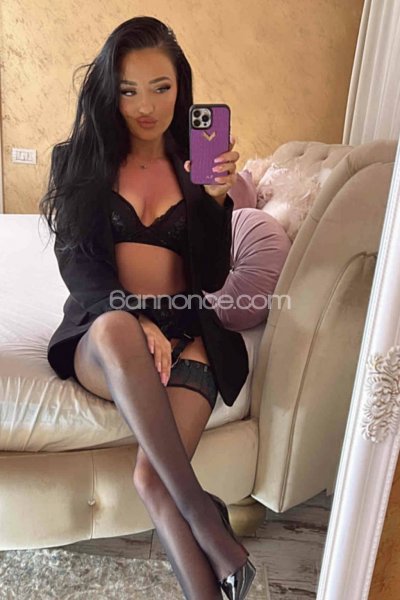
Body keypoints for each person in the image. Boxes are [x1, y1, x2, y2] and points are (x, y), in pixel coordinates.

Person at [40, 16, 255, 600]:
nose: (145, 106)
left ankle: (218, 576)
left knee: (153, 480)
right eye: (129, 90)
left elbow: (211, 278)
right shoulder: (79, 160)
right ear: (110, 91)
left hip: (188, 334)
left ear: (180, 87)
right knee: (117, 328)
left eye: (161, 88)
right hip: (105, 335)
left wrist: (214, 203)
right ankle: (208, 519)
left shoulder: (197, 167)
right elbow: (77, 265)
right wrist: (134, 319)